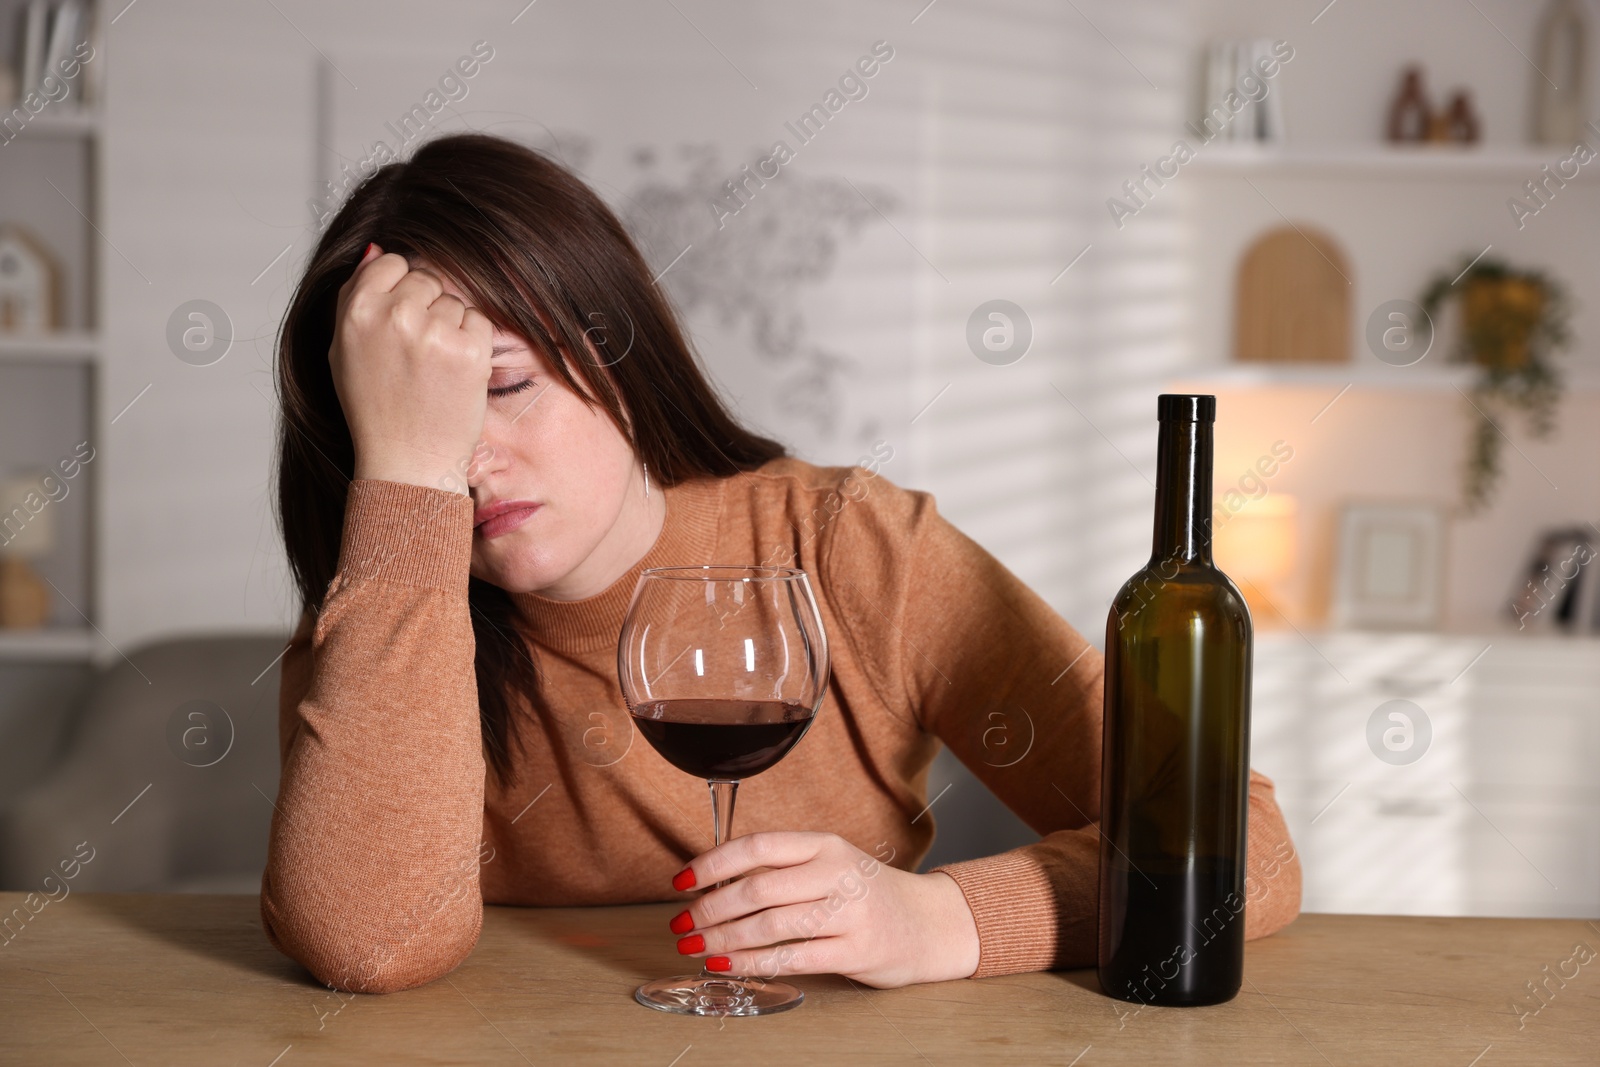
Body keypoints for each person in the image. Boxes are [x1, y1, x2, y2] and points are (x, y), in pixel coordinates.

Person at [262, 132, 1301, 996]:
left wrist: (943, 919)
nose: (468, 464)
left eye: (503, 385)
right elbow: (370, 940)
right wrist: (403, 489)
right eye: (410, 425)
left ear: (613, 349)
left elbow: (1239, 851)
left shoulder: (850, 547)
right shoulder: (389, 594)